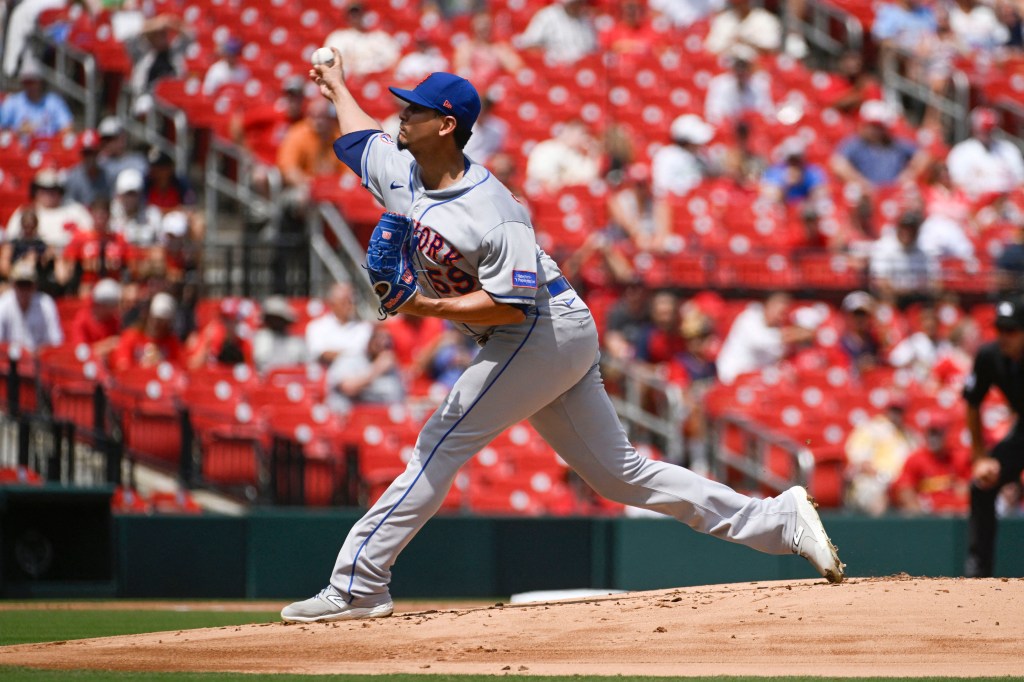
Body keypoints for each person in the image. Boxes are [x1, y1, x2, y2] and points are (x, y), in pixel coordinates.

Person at [280, 57, 845, 622]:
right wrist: (337, 88)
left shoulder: (494, 210)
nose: (402, 115)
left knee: (439, 444)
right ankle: (776, 520)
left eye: (415, 109)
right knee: (617, 474)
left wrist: (426, 305)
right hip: (543, 335)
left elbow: (510, 304)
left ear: (446, 125)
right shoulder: (403, 170)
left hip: (538, 328)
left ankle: (359, 584)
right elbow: (360, 139)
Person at [963, 297, 1024, 576]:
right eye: (1000, 329)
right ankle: (980, 572)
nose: (1004, 337)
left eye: (1011, 331)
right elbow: (973, 402)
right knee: (983, 484)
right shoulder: (990, 356)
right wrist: (980, 457)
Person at [715, 292, 815, 385]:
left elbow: (779, 355)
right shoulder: (749, 318)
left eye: (783, 312)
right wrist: (802, 333)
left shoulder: (780, 326)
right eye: (778, 310)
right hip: (730, 378)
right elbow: (766, 340)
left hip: (755, 380)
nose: (779, 316)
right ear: (767, 305)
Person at [844, 394, 918, 516]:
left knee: (913, 499)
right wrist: (883, 478)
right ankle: (879, 532)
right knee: (878, 497)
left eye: (899, 410)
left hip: (902, 484)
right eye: (893, 409)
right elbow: (860, 462)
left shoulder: (909, 435)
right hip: (873, 481)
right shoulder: (871, 428)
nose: (896, 414)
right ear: (886, 409)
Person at [892, 410, 972, 514]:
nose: (933, 438)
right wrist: (919, 516)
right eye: (930, 433)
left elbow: (969, 488)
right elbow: (904, 490)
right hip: (928, 514)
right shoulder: (915, 458)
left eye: (937, 433)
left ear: (946, 434)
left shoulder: (958, 457)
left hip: (956, 514)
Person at [57, 197, 132, 296]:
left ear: (109, 216)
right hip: (89, 287)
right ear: (91, 215)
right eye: (97, 214)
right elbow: (66, 265)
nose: (100, 218)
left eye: (103, 214)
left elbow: (130, 265)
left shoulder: (118, 239)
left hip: (114, 286)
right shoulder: (80, 238)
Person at [4, 168, 92, 250]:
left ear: (60, 191)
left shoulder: (75, 211)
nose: (48, 194)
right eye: (43, 189)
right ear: (35, 191)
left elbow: (90, 236)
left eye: (53, 189)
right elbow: (11, 240)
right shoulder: (25, 212)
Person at [325, 324, 404, 415]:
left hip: (381, 420)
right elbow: (348, 388)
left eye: (388, 340)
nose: (383, 343)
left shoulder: (391, 367)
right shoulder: (350, 358)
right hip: (348, 419)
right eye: (378, 338)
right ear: (369, 339)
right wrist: (377, 369)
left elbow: (399, 398)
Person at [946, 108, 1024, 200]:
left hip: (1006, 202)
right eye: (983, 130)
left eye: (990, 130)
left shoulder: (1008, 149)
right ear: (974, 128)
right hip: (975, 202)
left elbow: (1020, 181)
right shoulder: (961, 152)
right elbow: (956, 184)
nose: (987, 133)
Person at [0, 59, 73, 144]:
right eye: (26, 82)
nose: (29, 86)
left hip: (49, 151)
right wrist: (18, 131)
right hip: (20, 152)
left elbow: (67, 127)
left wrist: (52, 139)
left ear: (40, 81)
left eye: (32, 82)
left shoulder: (54, 102)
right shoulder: (13, 102)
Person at [304, 282, 372, 369]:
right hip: (325, 378)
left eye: (352, 301)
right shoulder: (316, 327)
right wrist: (351, 355)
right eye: (345, 302)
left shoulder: (365, 327)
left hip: (356, 378)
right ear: (332, 304)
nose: (350, 306)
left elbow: (362, 354)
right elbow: (320, 355)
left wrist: (335, 353)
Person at [110, 291, 184, 371]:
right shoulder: (131, 336)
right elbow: (122, 366)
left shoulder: (172, 342)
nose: (157, 324)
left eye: (162, 321)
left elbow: (179, 369)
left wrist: (160, 364)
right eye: (155, 319)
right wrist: (143, 367)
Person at [703, 44, 774, 126]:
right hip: (726, 128)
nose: (741, 71)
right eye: (738, 67)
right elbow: (712, 112)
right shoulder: (719, 83)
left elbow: (767, 111)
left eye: (744, 67)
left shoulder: (760, 85)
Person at [324, 2, 400, 77]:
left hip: (377, 80)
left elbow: (394, 61)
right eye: (352, 13)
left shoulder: (380, 37)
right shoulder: (338, 37)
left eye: (358, 13)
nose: (355, 16)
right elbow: (329, 63)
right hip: (349, 82)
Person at [0, 260, 63, 351]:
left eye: (27, 285)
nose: (24, 290)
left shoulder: (46, 304)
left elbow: (56, 340)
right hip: (10, 359)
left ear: (34, 286)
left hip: (40, 360)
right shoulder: (3, 305)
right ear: (13, 285)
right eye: (20, 284)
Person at [525, 119, 602, 191]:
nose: (582, 138)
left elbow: (589, 177)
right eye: (580, 134)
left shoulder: (577, 156)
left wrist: (593, 153)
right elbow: (539, 177)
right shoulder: (546, 148)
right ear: (568, 131)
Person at [451, 12, 524, 90]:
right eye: (480, 24)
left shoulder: (499, 48)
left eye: (486, 24)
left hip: (494, 90)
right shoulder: (465, 47)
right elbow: (461, 70)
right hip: (473, 89)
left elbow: (517, 69)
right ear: (473, 26)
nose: (484, 27)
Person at [517, 0, 598, 65]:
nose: (581, 6)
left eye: (582, 3)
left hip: (580, 67)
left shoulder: (586, 20)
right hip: (553, 66)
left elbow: (593, 49)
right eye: (577, 3)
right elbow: (529, 45)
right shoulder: (547, 15)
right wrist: (550, 52)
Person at [68, 278, 123, 360]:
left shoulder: (114, 320)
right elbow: (81, 354)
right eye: (112, 305)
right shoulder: (82, 320)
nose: (115, 309)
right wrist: (107, 345)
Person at [704, 0, 783, 55]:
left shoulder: (765, 19)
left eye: (742, 2)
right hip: (727, 65)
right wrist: (732, 42)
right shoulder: (723, 19)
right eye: (736, 3)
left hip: (756, 66)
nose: (739, 6)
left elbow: (772, 50)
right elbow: (711, 51)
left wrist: (745, 41)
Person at [253, 296, 307, 373]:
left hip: (291, 380)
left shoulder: (296, 341)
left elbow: (303, 364)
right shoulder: (261, 338)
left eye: (279, 318)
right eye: (272, 318)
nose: (276, 322)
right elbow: (261, 364)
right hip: (267, 382)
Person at [110, 168, 162, 246]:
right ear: (119, 195)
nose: (130, 199)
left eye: (133, 194)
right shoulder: (110, 215)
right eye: (126, 194)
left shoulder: (152, 215)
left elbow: (160, 246)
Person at [64, 130, 112, 207]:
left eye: (92, 153)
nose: (89, 157)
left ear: (98, 153)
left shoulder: (108, 176)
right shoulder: (73, 177)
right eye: (86, 153)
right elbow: (69, 207)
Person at [97, 116, 149, 187]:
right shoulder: (99, 162)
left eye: (110, 139)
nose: (106, 143)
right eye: (104, 140)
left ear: (122, 138)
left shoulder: (138, 161)